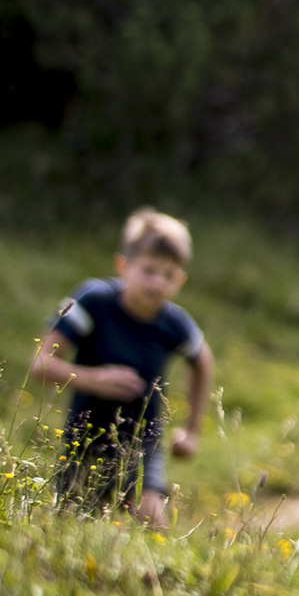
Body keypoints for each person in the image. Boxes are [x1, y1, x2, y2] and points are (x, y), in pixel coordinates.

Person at [31, 208, 215, 529]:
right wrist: (94, 379)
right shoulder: (93, 302)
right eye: (149, 270)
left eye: (169, 275)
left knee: (152, 520)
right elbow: (40, 364)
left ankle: (155, 562)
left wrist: (192, 430)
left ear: (180, 281)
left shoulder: (174, 323)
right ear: (123, 266)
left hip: (142, 440)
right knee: (68, 523)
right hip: (84, 436)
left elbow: (202, 361)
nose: (157, 282)